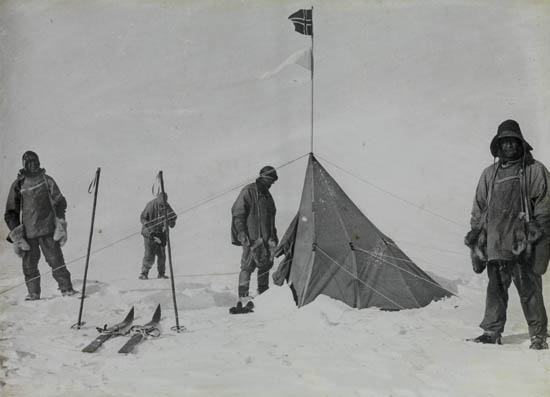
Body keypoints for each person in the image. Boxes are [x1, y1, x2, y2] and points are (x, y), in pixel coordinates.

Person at [465, 119, 550, 350]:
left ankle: (538, 335)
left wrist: (538, 229)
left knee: (529, 289)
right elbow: (479, 206)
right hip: (495, 241)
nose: (510, 145)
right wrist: (476, 232)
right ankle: (492, 331)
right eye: (505, 142)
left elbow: (544, 203)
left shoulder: (535, 170)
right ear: (498, 146)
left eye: (513, 141)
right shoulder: (489, 174)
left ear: (521, 143)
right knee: (496, 289)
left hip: (523, 242)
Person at [4, 151, 77, 300]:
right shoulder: (19, 184)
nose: (33, 165)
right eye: (29, 162)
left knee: (56, 260)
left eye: (35, 161)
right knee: (29, 266)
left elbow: (59, 201)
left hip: (48, 229)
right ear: (25, 165)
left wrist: (60, 220)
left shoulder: (46, 180)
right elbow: (11, 211)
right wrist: (16, 231)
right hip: (28, 234)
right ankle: (33, 293)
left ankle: (67, 289)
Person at [231, 166, 279, 303]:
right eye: (270, 180)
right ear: (264, 178)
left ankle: (263, 295)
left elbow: (271, 219)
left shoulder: (268, 196)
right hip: (251, 239)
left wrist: (273, 237)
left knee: (265, 266)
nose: (272, 184)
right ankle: (243, 296)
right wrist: (241, 232)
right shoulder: (248, 191)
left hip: (266, 239)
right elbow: (238, 213)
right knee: (247, 266)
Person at [139, 192, 177, 280]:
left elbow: (173, 217)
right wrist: (148, 226)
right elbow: (142, 217)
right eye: (161, 203)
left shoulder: (166, 206)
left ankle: (161, 273)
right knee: (149, 254)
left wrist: (170, 222)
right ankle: (144, 273)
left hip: (161, 233)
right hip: (149, 233)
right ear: (158, 199)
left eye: (164, 202)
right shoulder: (151, 205)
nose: (162, 205)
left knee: (162, 254)